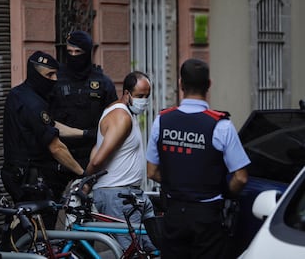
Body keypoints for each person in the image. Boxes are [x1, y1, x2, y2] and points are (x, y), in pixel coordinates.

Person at [146, 58, 250, 259]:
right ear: (209, 85)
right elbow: (241, 177)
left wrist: (176, 182)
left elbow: (151, 171)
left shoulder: (162, 120)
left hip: (173, 213)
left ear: (180, 84)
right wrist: (225, 192)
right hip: (207, 216)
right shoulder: (221, 125)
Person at [1, 51, 84, 229]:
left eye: (55, 74)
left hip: (15, 173)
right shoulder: (34, 103)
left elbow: (50, 125)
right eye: (49, 75)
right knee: (41, 231)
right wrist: (81, 173)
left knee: (24, 226)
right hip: (30, 180)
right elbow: (56, 147)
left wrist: (83, 133)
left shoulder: (17, 94)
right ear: (34, 73)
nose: (54, 79)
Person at [85, 71, 156, 252]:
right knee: (131, 252)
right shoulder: (121, 117)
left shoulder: (126, 114)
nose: (144, 101)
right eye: (140, 96)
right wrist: (85, 182)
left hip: (131, 195)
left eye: (147, 96)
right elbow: (99, 158)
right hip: (117, 195)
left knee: (152, 248)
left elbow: (96, 147)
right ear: (126, 94)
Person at [49, 30, 118, 186]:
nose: (73, 56)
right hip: (60, 156)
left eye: (78, 52)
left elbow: (114, 120)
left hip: (94, 157)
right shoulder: (56, 79)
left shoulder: (103, 83)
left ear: (87, 53)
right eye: (70, 52)